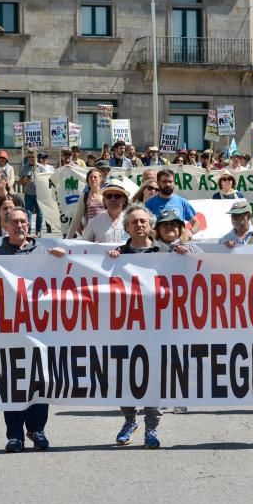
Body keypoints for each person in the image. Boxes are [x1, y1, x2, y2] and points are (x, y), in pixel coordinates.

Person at [0, 208, 65, 452]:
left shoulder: (42, 253)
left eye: (23, 222)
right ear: (5, 226)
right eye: (14, 222)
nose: (19, 226)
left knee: (41, 379)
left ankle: (37, 429)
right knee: (13, 383)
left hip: (39, 329)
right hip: (8, 331)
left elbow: (62, 279)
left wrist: (61, 258)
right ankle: (15, 434)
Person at [103, 204, 171, 447]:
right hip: (126, 327)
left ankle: (152, 428)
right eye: (134, 222)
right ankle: (130, 420)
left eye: (143, 221)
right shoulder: (118, 254)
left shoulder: (164, 251)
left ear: (150, 224)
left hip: (156, 327)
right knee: (125, 376)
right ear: (127, 227)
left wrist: (186, 250)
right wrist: (109, 261)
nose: (139, 225)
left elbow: (195, 259)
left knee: (153, 377)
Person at [144, 169, 198, 235]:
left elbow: (196, 222)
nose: (168, 184)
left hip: (179, 243)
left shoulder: (182, 202)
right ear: (158, 183)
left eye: (170, 181)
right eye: (164, 181)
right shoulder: (149, 204)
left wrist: (191, 232)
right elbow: (144, 225)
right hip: (157, 243)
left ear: (174, 183)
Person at [66, 168, 106, 238]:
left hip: (104, 232)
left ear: (100, 179)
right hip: (89, 233)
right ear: (88, 181)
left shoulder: (107, 195)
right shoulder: (84, 196)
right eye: (90, 177)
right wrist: (67, 238)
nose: (93, 179)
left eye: (95, 177)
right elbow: (76, 219)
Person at [18, 150, 44, 235]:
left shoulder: (41, 168)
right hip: (28, 193)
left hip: (39, 194)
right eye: (29, 157)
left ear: (36, 157)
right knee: (28, 213)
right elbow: (20, 182)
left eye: (33, 157)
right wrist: (25, 179)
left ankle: (38, 231)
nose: (31, 159)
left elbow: (46, 181)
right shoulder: (24, 168)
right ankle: (27, 231)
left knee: (39, 214)